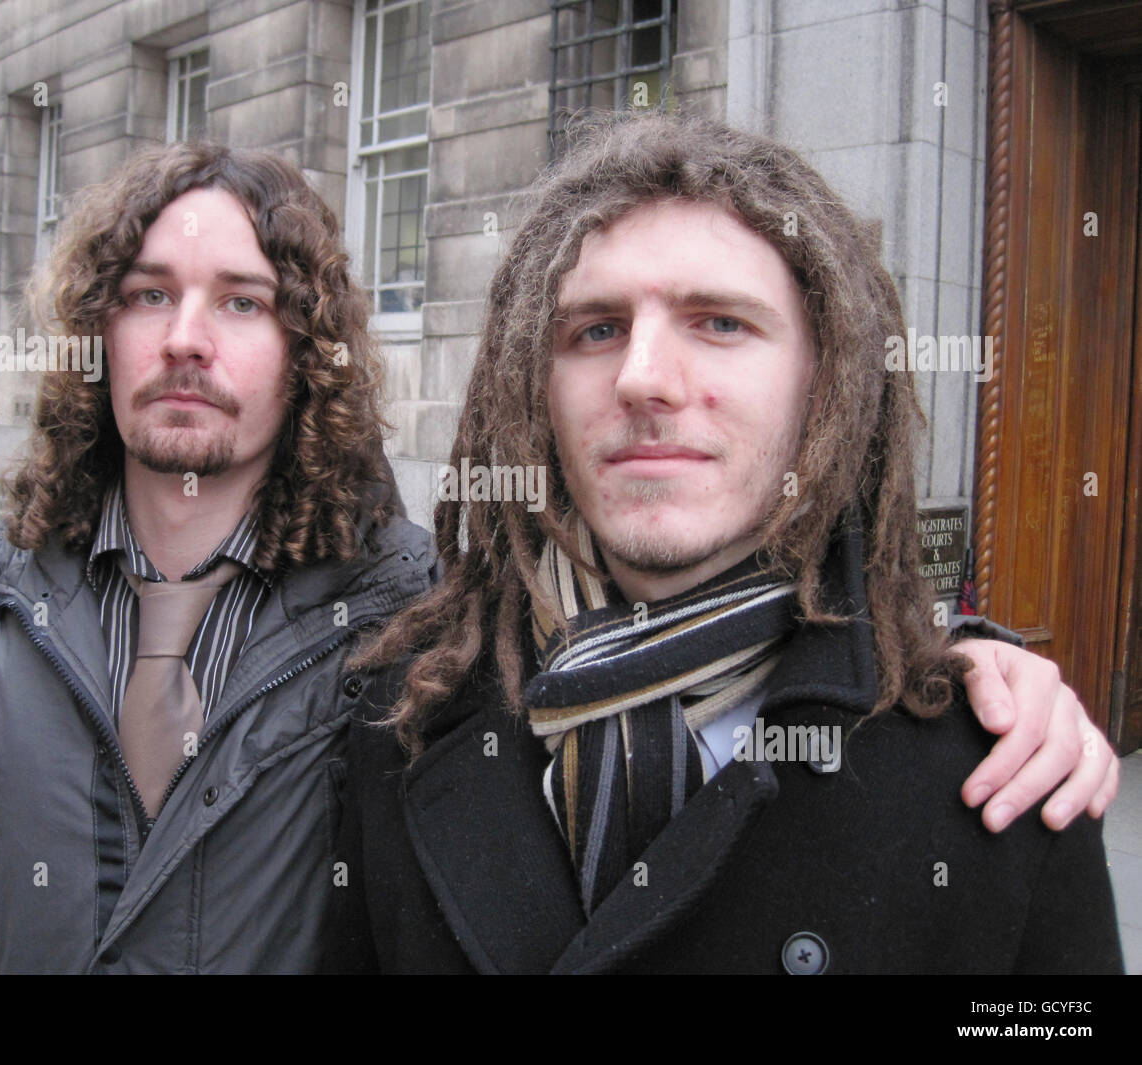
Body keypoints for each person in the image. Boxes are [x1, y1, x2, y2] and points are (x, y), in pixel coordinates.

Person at [329, 112, 1124, 974]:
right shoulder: (401, 715)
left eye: (719, 323)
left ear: (829, 381)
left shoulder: (1006, 771)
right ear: (533, 389)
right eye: (596, 329)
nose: (642, 377)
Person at [0, 143, 433, 973]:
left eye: (241, 302)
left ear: (305, 350)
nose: (185, 339)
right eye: (150, 294)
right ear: (99, 330)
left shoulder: (413, 620)